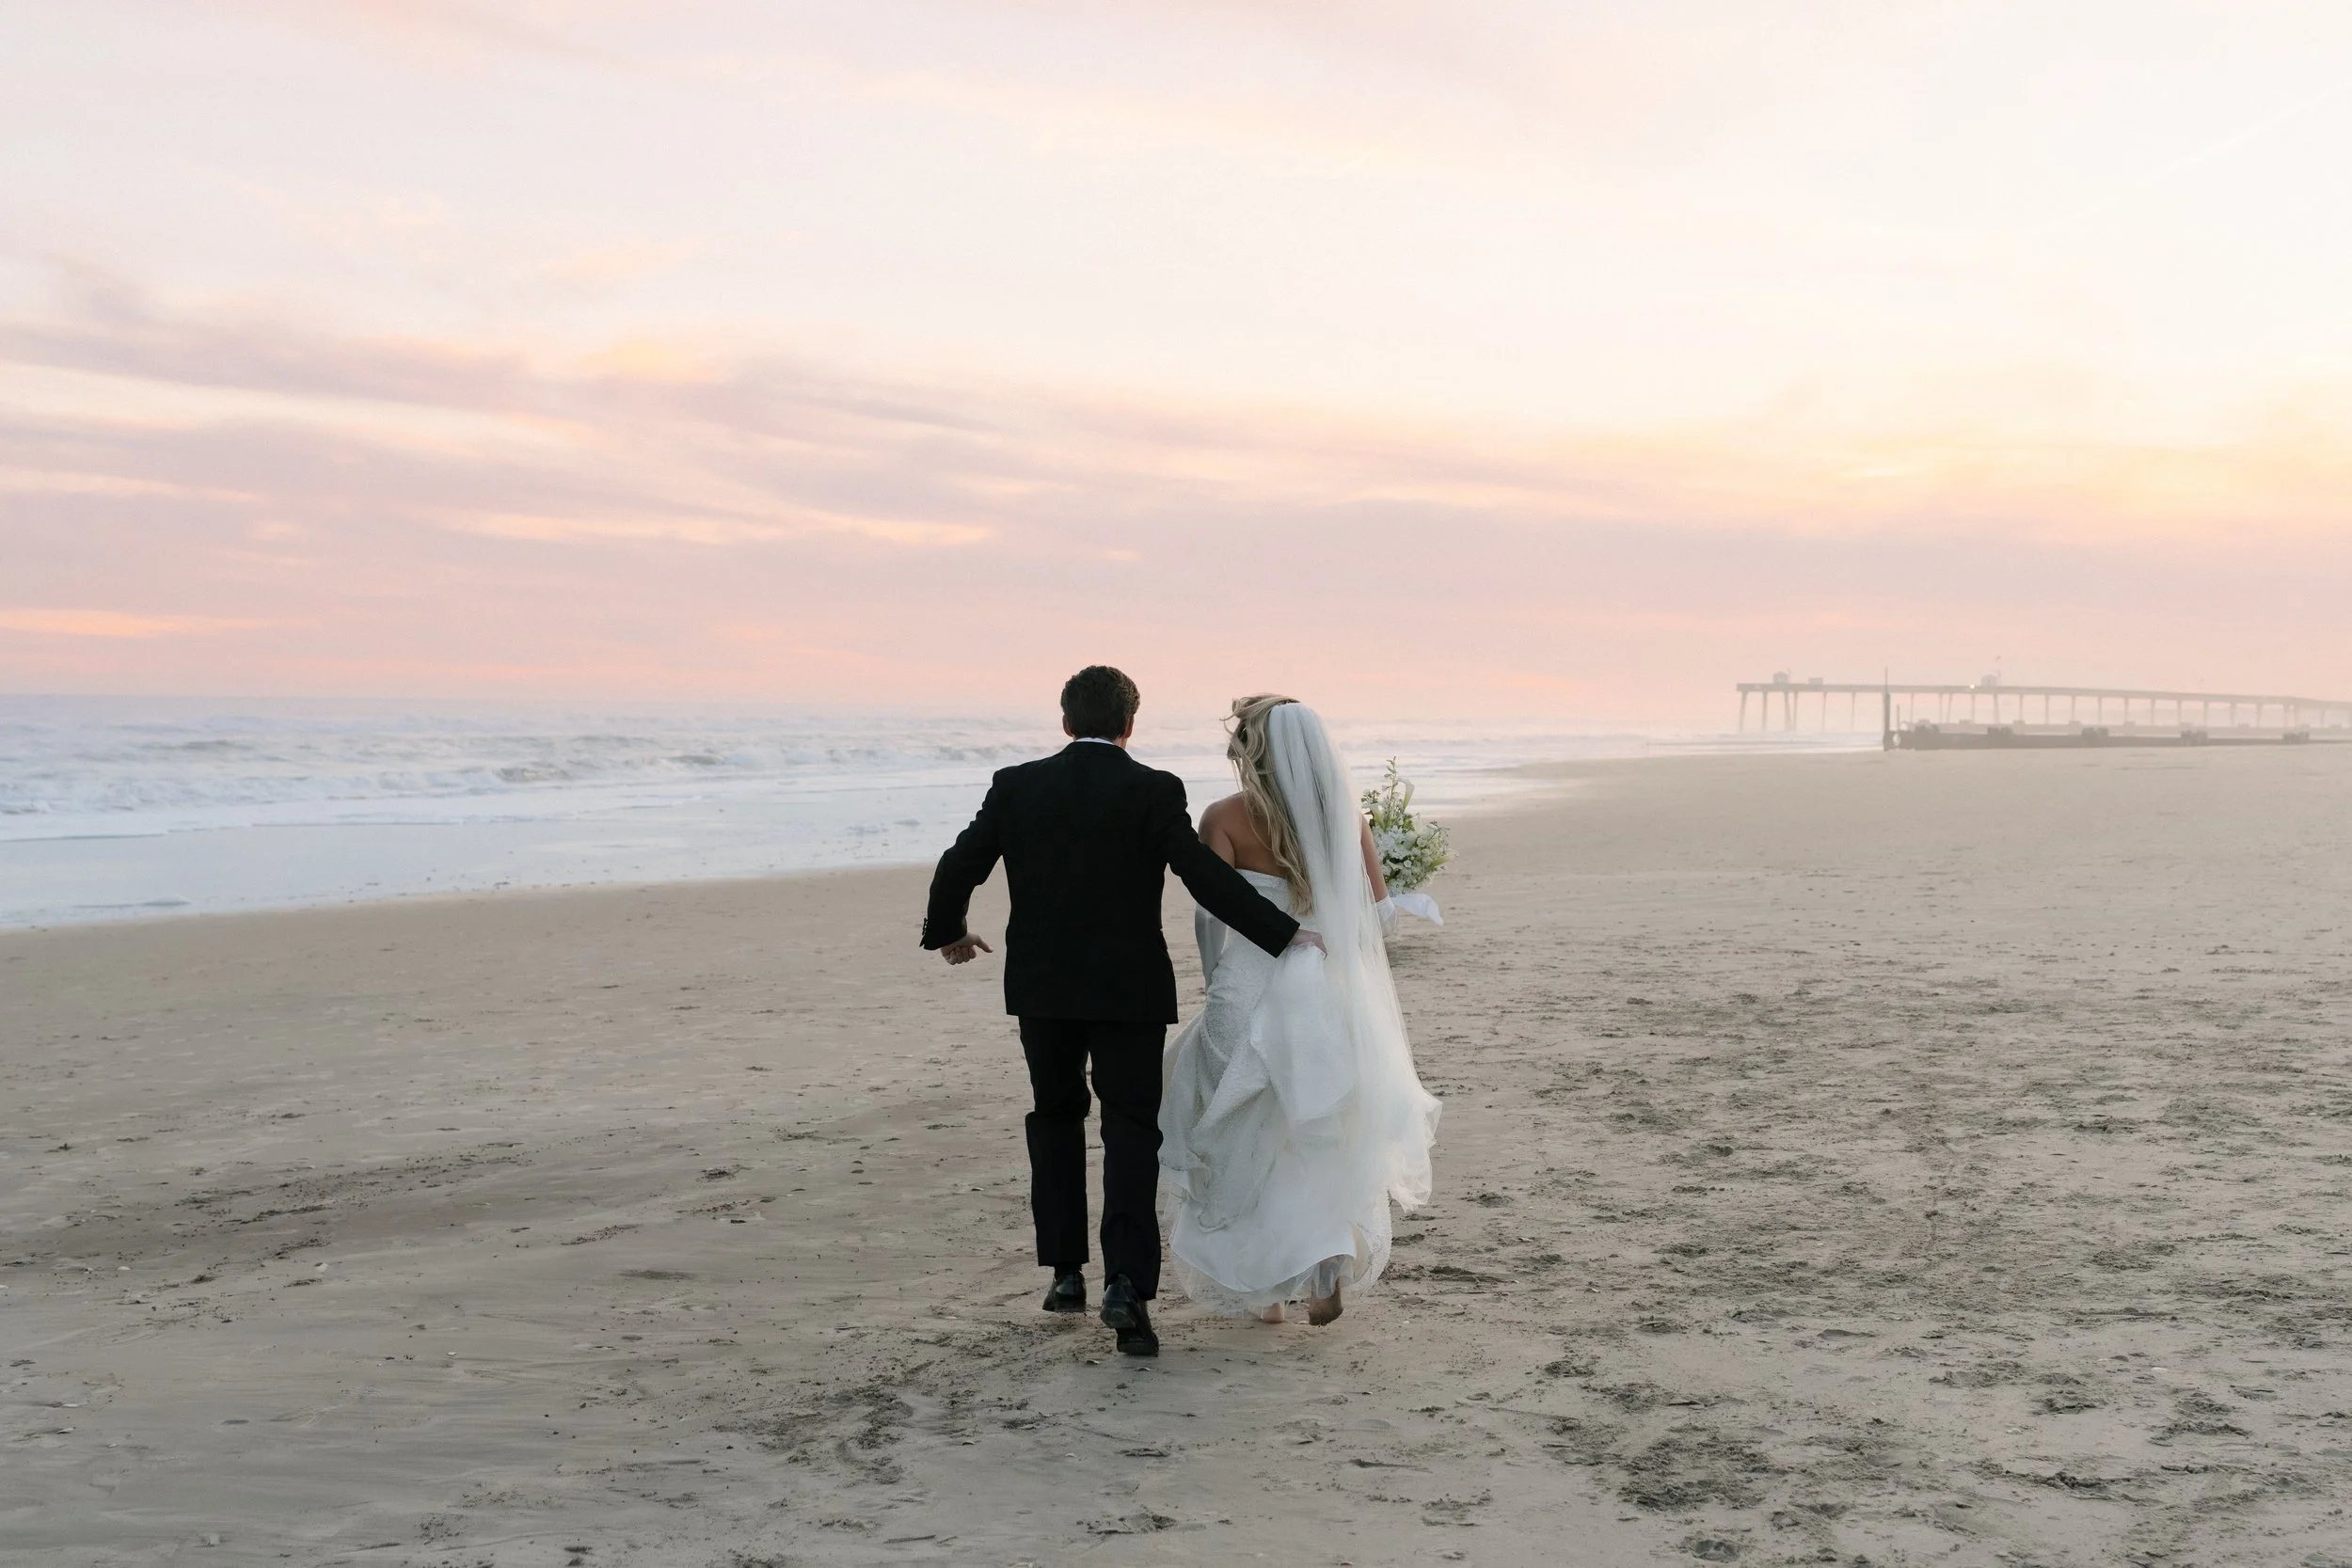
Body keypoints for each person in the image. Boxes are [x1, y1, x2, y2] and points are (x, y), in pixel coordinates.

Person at [921, 666, 1321, 1356]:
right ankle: (1127, 1287)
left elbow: (962, 860)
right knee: (1132, 1129)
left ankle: (1067, 1273)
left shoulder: (1016, 785)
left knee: (1054, 1115)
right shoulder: (1153, 789)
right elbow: (1204, 876)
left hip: (1043, 988)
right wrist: (1284, 935)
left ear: (1065, 720)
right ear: (1130, 724)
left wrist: (949, 929)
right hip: (1129, 993)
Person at [1158, 694, 1442, 1325]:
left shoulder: (1223, 818)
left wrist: (1215, 979)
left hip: (1252, 982)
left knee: (1243, 1131)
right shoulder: (1348, 817)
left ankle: (1263, 1292)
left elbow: (1212, 913)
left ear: (1250, 749)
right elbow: (1376, 917)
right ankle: (1324, 1256)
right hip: (1327, 991)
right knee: (1314, 1132)